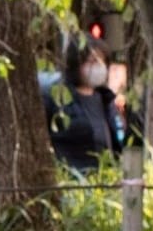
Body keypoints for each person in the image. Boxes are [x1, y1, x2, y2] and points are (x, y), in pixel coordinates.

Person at [45, 38, 135, 172]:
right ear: (76, 65)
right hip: (73, 183)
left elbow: (120, 143)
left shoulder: (106, 99)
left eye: (102, 61)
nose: (98, 66)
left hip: (104, 182)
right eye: (92, 61)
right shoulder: (59, 99)